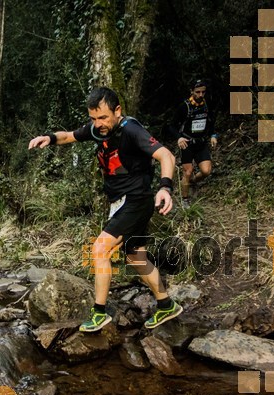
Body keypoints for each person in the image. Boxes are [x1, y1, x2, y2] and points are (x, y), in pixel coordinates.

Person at [28, 87, 183, 332]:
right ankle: (166, 305)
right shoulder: (98, 130)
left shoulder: (131, 130)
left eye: (103, 117)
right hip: (121, 202)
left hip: (136, 200)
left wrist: (165, 188)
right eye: (93, 118)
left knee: (99, 249)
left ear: (117, 111)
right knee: (136, 258)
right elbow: (69, 136)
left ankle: (99, 313)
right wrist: (50, 138)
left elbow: (166, 155)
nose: (98, 123)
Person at [168, 80, 218, 206]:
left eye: (203, 92)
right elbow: (172, 126)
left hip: (201, 143)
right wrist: (178, 138)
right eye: (198, 92)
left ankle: (193, 181)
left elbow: (211, 121)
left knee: (206, 171)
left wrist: (213, 135)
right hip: (187, 143)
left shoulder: (207, 104)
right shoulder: (184, 107)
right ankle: (185, 200)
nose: (201, 95)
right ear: (191, 92)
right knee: (188, 172)